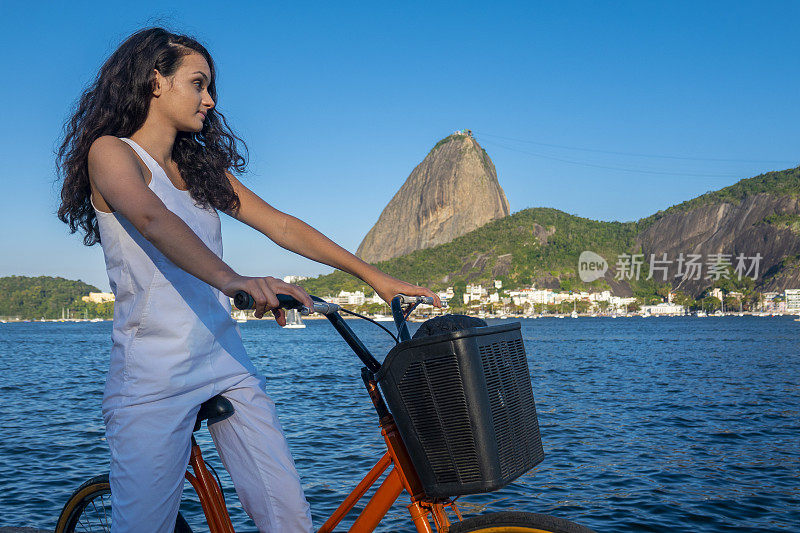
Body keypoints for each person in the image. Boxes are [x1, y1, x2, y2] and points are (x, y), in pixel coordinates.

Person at [55, 27, 440, 532]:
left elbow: (279, 224)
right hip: (153, 375)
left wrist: (373, 277)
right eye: (198, 84)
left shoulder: (199, 169)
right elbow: (151, 219)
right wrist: (234, 279)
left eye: (210, 88)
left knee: (289, 519)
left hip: (224, 360)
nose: (210, 101)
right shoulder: (113, 153)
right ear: (155, 81)